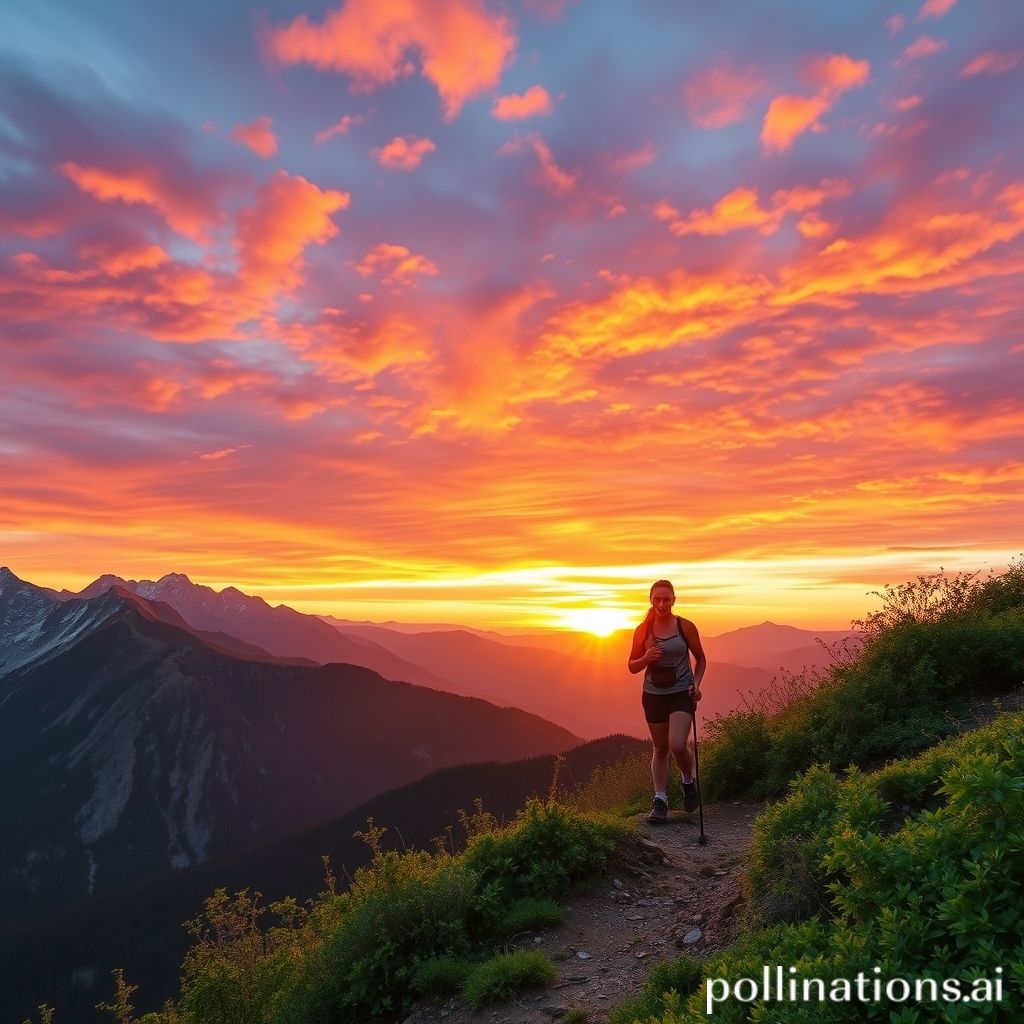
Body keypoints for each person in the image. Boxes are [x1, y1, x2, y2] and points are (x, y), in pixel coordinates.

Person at [627, 579, 707, 824]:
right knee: (660, 748)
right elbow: (631, 666)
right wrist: (647, 657)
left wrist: (696, 684)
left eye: (666, 599)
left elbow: (701, 659)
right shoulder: (642, 630)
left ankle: (688, 781)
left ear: (674, 600)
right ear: (651, 600)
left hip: (682, 691)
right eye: (657, 599)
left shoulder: (685, 626)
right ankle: (660, 800)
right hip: (653, 695)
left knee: (677, 745)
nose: (662, 603)